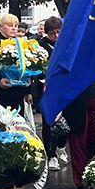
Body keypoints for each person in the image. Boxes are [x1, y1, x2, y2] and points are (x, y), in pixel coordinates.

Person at [32, 17, 69, 170]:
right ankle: (51, 155)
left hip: (64, 88)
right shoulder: (40, 46)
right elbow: (35, 68)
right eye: (53, 33)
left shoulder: (66, 45)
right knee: (48, 122)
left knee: (66, 121)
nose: (56, 36)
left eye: (59, 32)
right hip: (45, 89)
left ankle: (61, 146)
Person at [0, 14, 34, 117]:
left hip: (18, 90)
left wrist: (28, 86)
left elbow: (29, 64)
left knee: (18, 121)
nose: (14, 28)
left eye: (16, 25)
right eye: (10, 25)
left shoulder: (21, 43)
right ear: (1, 26)